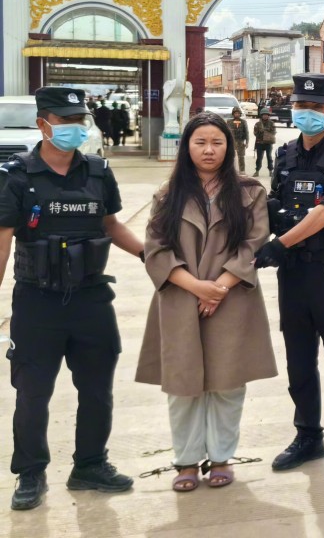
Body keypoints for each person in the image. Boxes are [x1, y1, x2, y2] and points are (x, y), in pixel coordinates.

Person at [1, 87, 144, 511]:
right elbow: (3, 242)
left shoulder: (98, 172)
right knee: (33, 393)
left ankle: (90, 465)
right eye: (64, 121)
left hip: (91, 301)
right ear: (42, 123)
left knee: (97, 390)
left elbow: (112, 226)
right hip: (37, 302)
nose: (73, 128)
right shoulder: (17, 176)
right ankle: (31, 473)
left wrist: (153, 258)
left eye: (79, 119)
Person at [137, 113, 276, 492]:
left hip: (232, 299)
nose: (209, 149)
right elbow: (156, 249)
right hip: (181, 298)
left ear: (229, 146)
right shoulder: (168, 194)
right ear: (187, 147)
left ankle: (220, 457)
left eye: (217, 142)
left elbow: (255, 243)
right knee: (183, 385)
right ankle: (185, 460)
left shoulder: (249, 191)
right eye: (200, 142)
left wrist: (221, 286)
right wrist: (198, 287)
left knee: (228, 384)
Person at [252, 73, 324, 477]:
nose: (308, 114)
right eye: (301, 106)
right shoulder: (284, 155)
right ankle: (308, 436)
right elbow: (269, 206)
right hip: (294, 274)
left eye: (317, 108)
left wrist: (280, 244)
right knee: (299, 360)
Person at [252, 108, 277, 177]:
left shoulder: (271, 123)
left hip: (268, 143)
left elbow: (274, 132)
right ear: (261, 115)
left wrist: (266, 133)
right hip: (259, 143)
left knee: (269, 157)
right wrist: (261, 133)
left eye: (267, 115)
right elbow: (255, 133)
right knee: (259, 158)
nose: (265, 116)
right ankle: (257, 171)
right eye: (264, 115)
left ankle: (270, 171)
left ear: (268, 115)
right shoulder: (258, 124)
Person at [228, 107, 249, 174]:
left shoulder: (243, 122)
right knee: (231, 157)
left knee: (241, 157)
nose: (236, 114)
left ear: (240, 114)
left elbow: (246, 132)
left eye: (238, 113)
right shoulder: (229, 122)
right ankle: (230, 171)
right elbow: (227, 132)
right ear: (233, 114)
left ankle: (242, 170)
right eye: (235, 113)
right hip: (232, 141)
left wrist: (247, 142)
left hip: (241, 141)